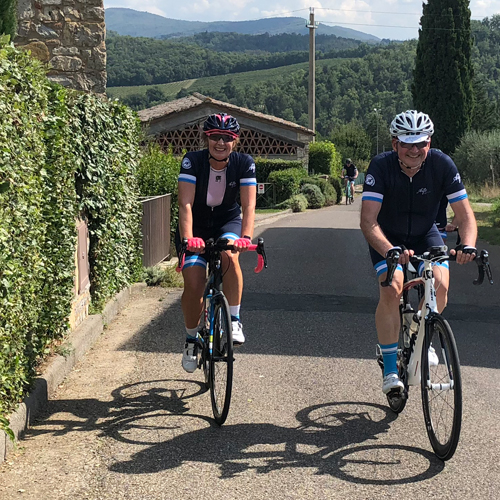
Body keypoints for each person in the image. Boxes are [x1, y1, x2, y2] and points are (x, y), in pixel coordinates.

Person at [360, 110, 477, 394]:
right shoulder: (380, 166)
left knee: (440, 284)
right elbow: (368, 221)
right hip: (387, 236)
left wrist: (468, 244)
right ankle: (390, 368)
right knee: (392, 287)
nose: (414, 150)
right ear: (394, 144)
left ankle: (421, 335)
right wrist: (389, 250)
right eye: (407, 143)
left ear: (429, 142)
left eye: (420, 143)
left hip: (426, 234)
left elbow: (465, 216)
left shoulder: (441, 164)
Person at [176, 113, 257, 373]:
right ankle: (191, 339)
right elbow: (185, 203)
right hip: (196, 225)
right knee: (194, 280)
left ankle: (233, 320)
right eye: (215, 137)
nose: (220, 143)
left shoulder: (244, 163)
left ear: (235, 141)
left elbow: (248, 204)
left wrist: (245, 238)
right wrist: (189, 239)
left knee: (230, 256)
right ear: (206, 138)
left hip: (227, 222)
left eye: (227, 138)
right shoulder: (192, 161)